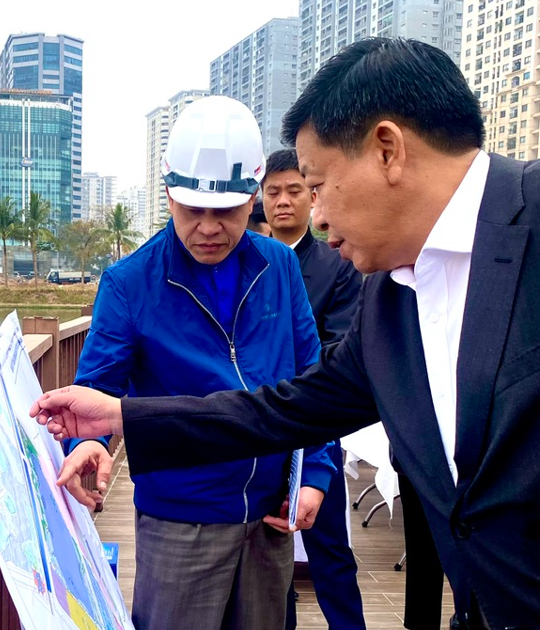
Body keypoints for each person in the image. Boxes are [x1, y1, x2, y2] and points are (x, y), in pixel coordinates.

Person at [30, 37, 540, 630]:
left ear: (388, 150)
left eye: (315, 186)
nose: (311, 215)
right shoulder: (391, 304)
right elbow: (288, 408)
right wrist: (120, 416)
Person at [55, 94, 338, 630]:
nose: (209, 227)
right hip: (179, 521)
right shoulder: (129, 283)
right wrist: (87, 442)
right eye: (192, 209)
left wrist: (317, 473)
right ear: (167, 194)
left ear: (252, 196)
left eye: (227, 210)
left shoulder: (279, 266)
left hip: (271, 516)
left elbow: (312, 380)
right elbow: (96, 386)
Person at [262, 148, 366, 630]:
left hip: (315, 425)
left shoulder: (337, 264)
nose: (282, 201)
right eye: (272, 192)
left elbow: (339, 348)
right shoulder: (245, 263)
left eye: (294, 190)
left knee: (330, 550)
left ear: (311, 196)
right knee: (267, 552)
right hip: (258, 426)